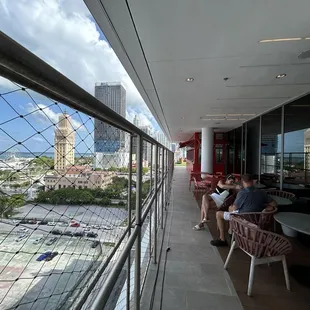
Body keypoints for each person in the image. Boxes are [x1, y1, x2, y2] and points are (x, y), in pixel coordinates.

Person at [210, 173, 277, 246]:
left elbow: (234, 208)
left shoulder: (242, 193)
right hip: (258, 220)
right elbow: (274, 204)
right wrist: (263, 205)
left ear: (243, 182)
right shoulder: (262, 192)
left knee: (219, 214)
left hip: (242, 220)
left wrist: (230, 207)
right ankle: (230, 231)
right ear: (252, 181)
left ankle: (222, 239)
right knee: (232, 210)